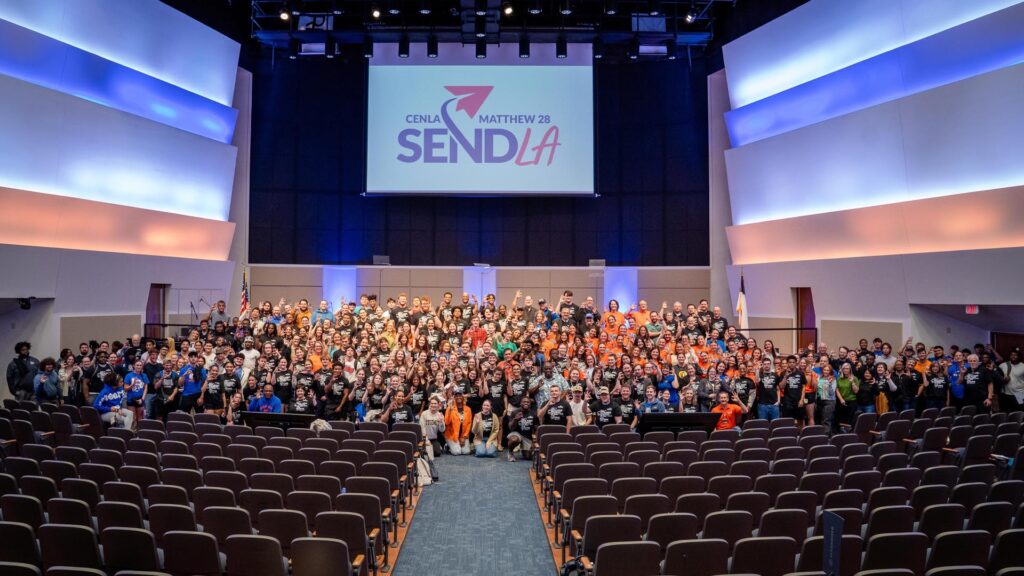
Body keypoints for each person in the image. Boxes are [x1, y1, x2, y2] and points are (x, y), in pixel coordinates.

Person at [506, 395, 537, 462]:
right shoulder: (515, 412)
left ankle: (523, 448)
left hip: (527, 436)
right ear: (520, 403)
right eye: (524, 402)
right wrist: (515, 419)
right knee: (514, 439)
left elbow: (536, 428)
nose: (526, 403)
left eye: (528, 402)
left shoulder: (534, 413)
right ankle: (510, 453)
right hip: (516, 434)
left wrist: (534, 441)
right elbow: (510, 428)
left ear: (530, 404)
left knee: (528, 457)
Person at [444, 389, 472, 455]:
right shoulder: (450, 408)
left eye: (460, 395)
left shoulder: (468, 409)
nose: (458, 397)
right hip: (452, 435)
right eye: (456, 396)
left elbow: (469, 424)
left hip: (463, 435)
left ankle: (458, 443)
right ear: (454, 397)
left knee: (466, 452)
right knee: (457, 452)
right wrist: (450, 410)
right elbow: (447, 422)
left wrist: (464, 437)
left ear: (463, 397)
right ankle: (447, 445)